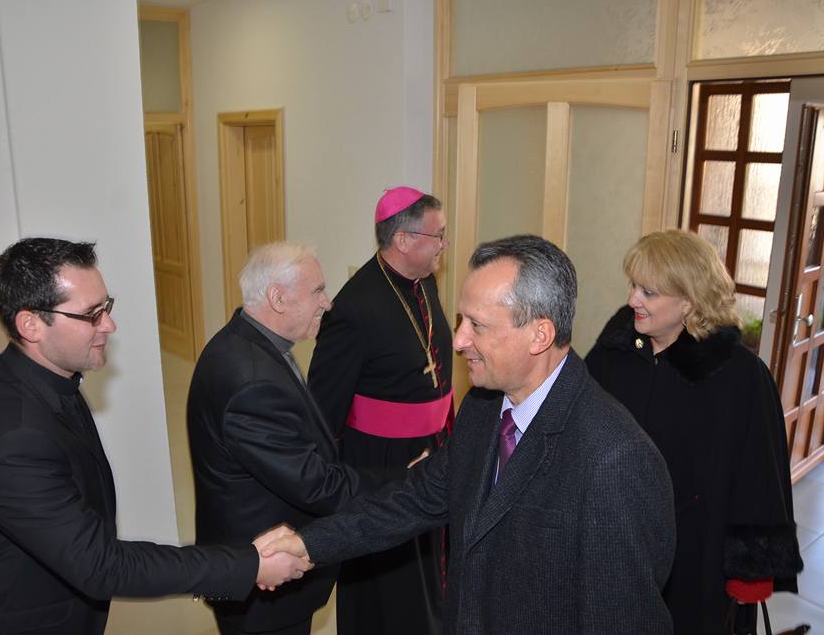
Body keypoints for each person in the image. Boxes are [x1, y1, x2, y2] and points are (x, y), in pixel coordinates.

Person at [265, 234, 677, 634]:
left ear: (540, 335)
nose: (459, 340)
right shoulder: (483, 407)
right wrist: (309, 544)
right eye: (462, 320)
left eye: (477, 325)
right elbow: (414, 499)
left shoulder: (615, 459)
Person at [0, 238, 309, 635]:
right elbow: (102, 565)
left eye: (106, 307)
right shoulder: (13, 439)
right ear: (31, 324)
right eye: (91, 314)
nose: (109, 325)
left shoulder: (46, 379)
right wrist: (248, 564)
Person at [584, 229, 803, 634]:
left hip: (694, 558)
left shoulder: (740, 376)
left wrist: (750, 575)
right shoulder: (615, 350)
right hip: (611, 543)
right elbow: (579, 426)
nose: (632, 300)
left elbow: (759, 477)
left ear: (688, 300)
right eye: (633, 285)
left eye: (648, 292)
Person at [188, 242, 402, 635]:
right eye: (318, 290)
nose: (328, 303)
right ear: (278, 298)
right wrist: (404, 478)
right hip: (264, 584)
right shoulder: (251, 382)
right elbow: (317, 484)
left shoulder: (247, 343)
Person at [307, 186, 451, 635]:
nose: (444, 245)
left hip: (432, 447)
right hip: (382, 463)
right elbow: (322, 408)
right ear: (403, 240)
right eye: (438, 235)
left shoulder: (424, 283)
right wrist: (329, 489)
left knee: (430, 571)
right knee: (391, 588)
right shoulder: (353, 307)